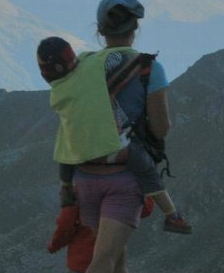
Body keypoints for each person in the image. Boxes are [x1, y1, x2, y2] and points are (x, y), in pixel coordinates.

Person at [44, 0, 175, 273]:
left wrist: (65, 183)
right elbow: (162, 128)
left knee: (114, 257)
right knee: (105, 257)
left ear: (101, 31)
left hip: (85, 177)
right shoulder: (150, 68)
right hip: (124, 179)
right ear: (135, 30)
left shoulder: (83, 66)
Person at [37, 36, 192, 234]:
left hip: (79, 151)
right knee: (144, 165)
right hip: (109, 143)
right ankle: (172, 215)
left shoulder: (57, 92)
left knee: (65, 149)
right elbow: (116, 61)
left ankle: (66, 188)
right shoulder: (91, 68)